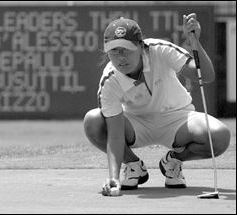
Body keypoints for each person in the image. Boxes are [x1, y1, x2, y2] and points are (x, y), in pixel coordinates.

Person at [83, 13, 231, 196]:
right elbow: (114, 137)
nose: (120, 57)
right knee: (93, 121)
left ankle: (173, 160)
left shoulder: (159, 49)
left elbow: (206, 76)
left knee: (220, 136)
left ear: (140, 45)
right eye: (114, 51)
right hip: (136, 124)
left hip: (178, 118)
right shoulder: (109, 79)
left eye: (126, 49)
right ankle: (133, 166)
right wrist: (113, 178)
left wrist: (195, 43)